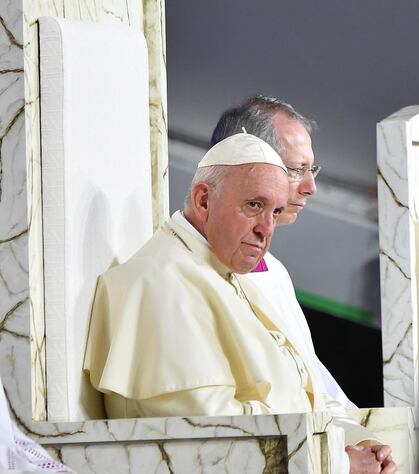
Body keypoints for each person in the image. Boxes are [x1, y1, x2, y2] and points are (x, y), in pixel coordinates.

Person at [83, 132, 392, 474]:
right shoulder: (159, 281)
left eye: (275, 212)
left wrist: (359, 443)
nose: (266, 229)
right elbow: (211, 438)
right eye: (254, 206)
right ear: (203, 200)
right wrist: (340, 462)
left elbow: (304, 392)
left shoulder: (229, 274)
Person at [210, 97, 394, 474]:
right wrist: (341, 461)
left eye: (313, 170)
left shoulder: (273, 270)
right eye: (297, 170)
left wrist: (363, 439)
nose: (310, 187)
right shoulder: (203, 274)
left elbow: (311, 379)